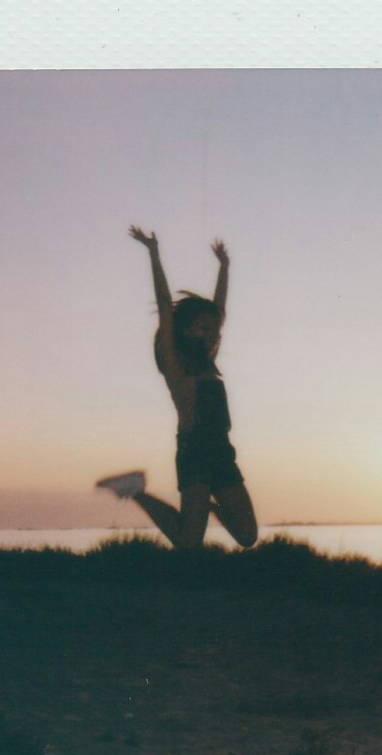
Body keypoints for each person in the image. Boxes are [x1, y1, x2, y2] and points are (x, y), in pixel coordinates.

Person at [95, 227, 258, 550]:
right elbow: (166, 306)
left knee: (248, 537)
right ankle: (135, 490)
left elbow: (219, 312)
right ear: (184, 331)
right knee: (187, 543)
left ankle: (208, 506)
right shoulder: (176, 366)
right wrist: (153, 252)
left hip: (222, 453)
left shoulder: (209, 363)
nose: (211, 333)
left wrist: (224, 267)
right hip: (194, 452)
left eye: (212, 328)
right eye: (202, 327)